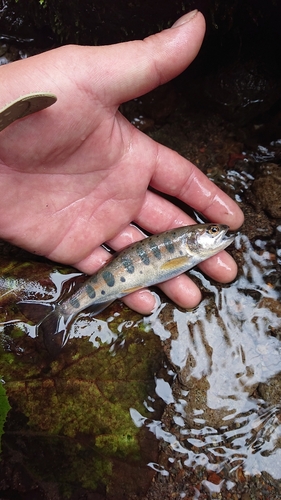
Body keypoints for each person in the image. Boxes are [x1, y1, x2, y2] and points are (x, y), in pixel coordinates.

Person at [0, 10, 243, 314]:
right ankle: (65, 311)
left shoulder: (188, 250)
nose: (216, 234)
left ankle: (66, 309)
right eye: (210, 232)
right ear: (195, 238)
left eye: (211, 231)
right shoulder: (186, 250)